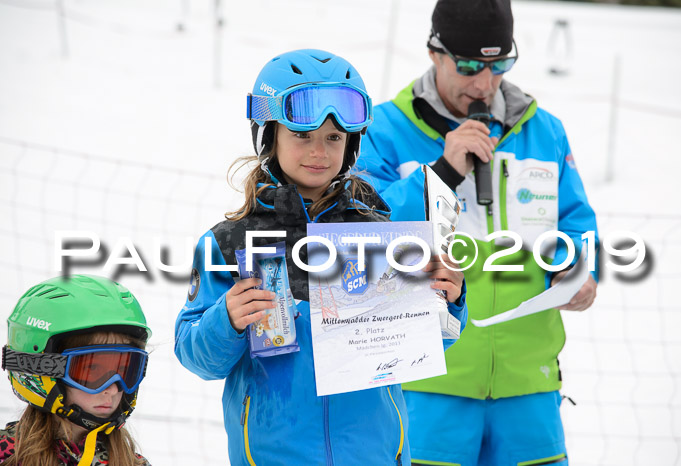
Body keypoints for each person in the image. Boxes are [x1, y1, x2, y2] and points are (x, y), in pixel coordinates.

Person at [174, 48, 467, 465]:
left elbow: (425, 340)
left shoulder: (378, 235)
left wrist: (448, 297)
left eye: (334, 138)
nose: (320, 152)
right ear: (268, 134)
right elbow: (195, 354)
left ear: (351, 144)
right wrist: (228, 318)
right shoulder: (230, 241)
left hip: (375, 454)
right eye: (302, 136)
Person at [354, 0, 598, 464]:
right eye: (468, 66)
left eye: (499, 64)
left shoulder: (545, 131)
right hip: (426, 382)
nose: (485, 83)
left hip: (530, 384)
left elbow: (576, 224)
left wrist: (578, 270)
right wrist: (442, 172)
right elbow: (364, 235)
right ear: (435, 53)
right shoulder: (383, 129)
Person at [0, 274, 151, 466]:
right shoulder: (8, 456)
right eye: (93, 369)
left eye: (124, 370)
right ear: (42, 370)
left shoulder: (132, 463)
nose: (112, 389)